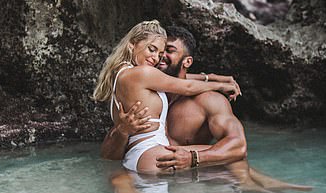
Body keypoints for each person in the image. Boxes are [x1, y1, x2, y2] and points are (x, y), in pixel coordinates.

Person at [101, 25, 311, 192]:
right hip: (154, 177)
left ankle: (261, 185)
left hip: (180, 186)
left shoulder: (207, 101)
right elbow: (108, 157)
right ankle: (257, 186)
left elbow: (238, 147)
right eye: (154, 50)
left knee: (232, 159)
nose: (159, 57)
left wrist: (193, 159)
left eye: (168, 51)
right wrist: (122, 131)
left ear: (187, 61)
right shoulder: (147, 93)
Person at [93, 20, 240, 174]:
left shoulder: (121, 75)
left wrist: (211, 77)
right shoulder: (143, 72)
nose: (156, 58)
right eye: (152, 49)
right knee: (230, 156)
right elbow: (186, 86)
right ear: (132, 44)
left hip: (134, 156)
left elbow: (175, 80)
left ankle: (260, 186)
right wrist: (221, 86)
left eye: (160, 54)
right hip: (152, 154)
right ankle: (258, 189)